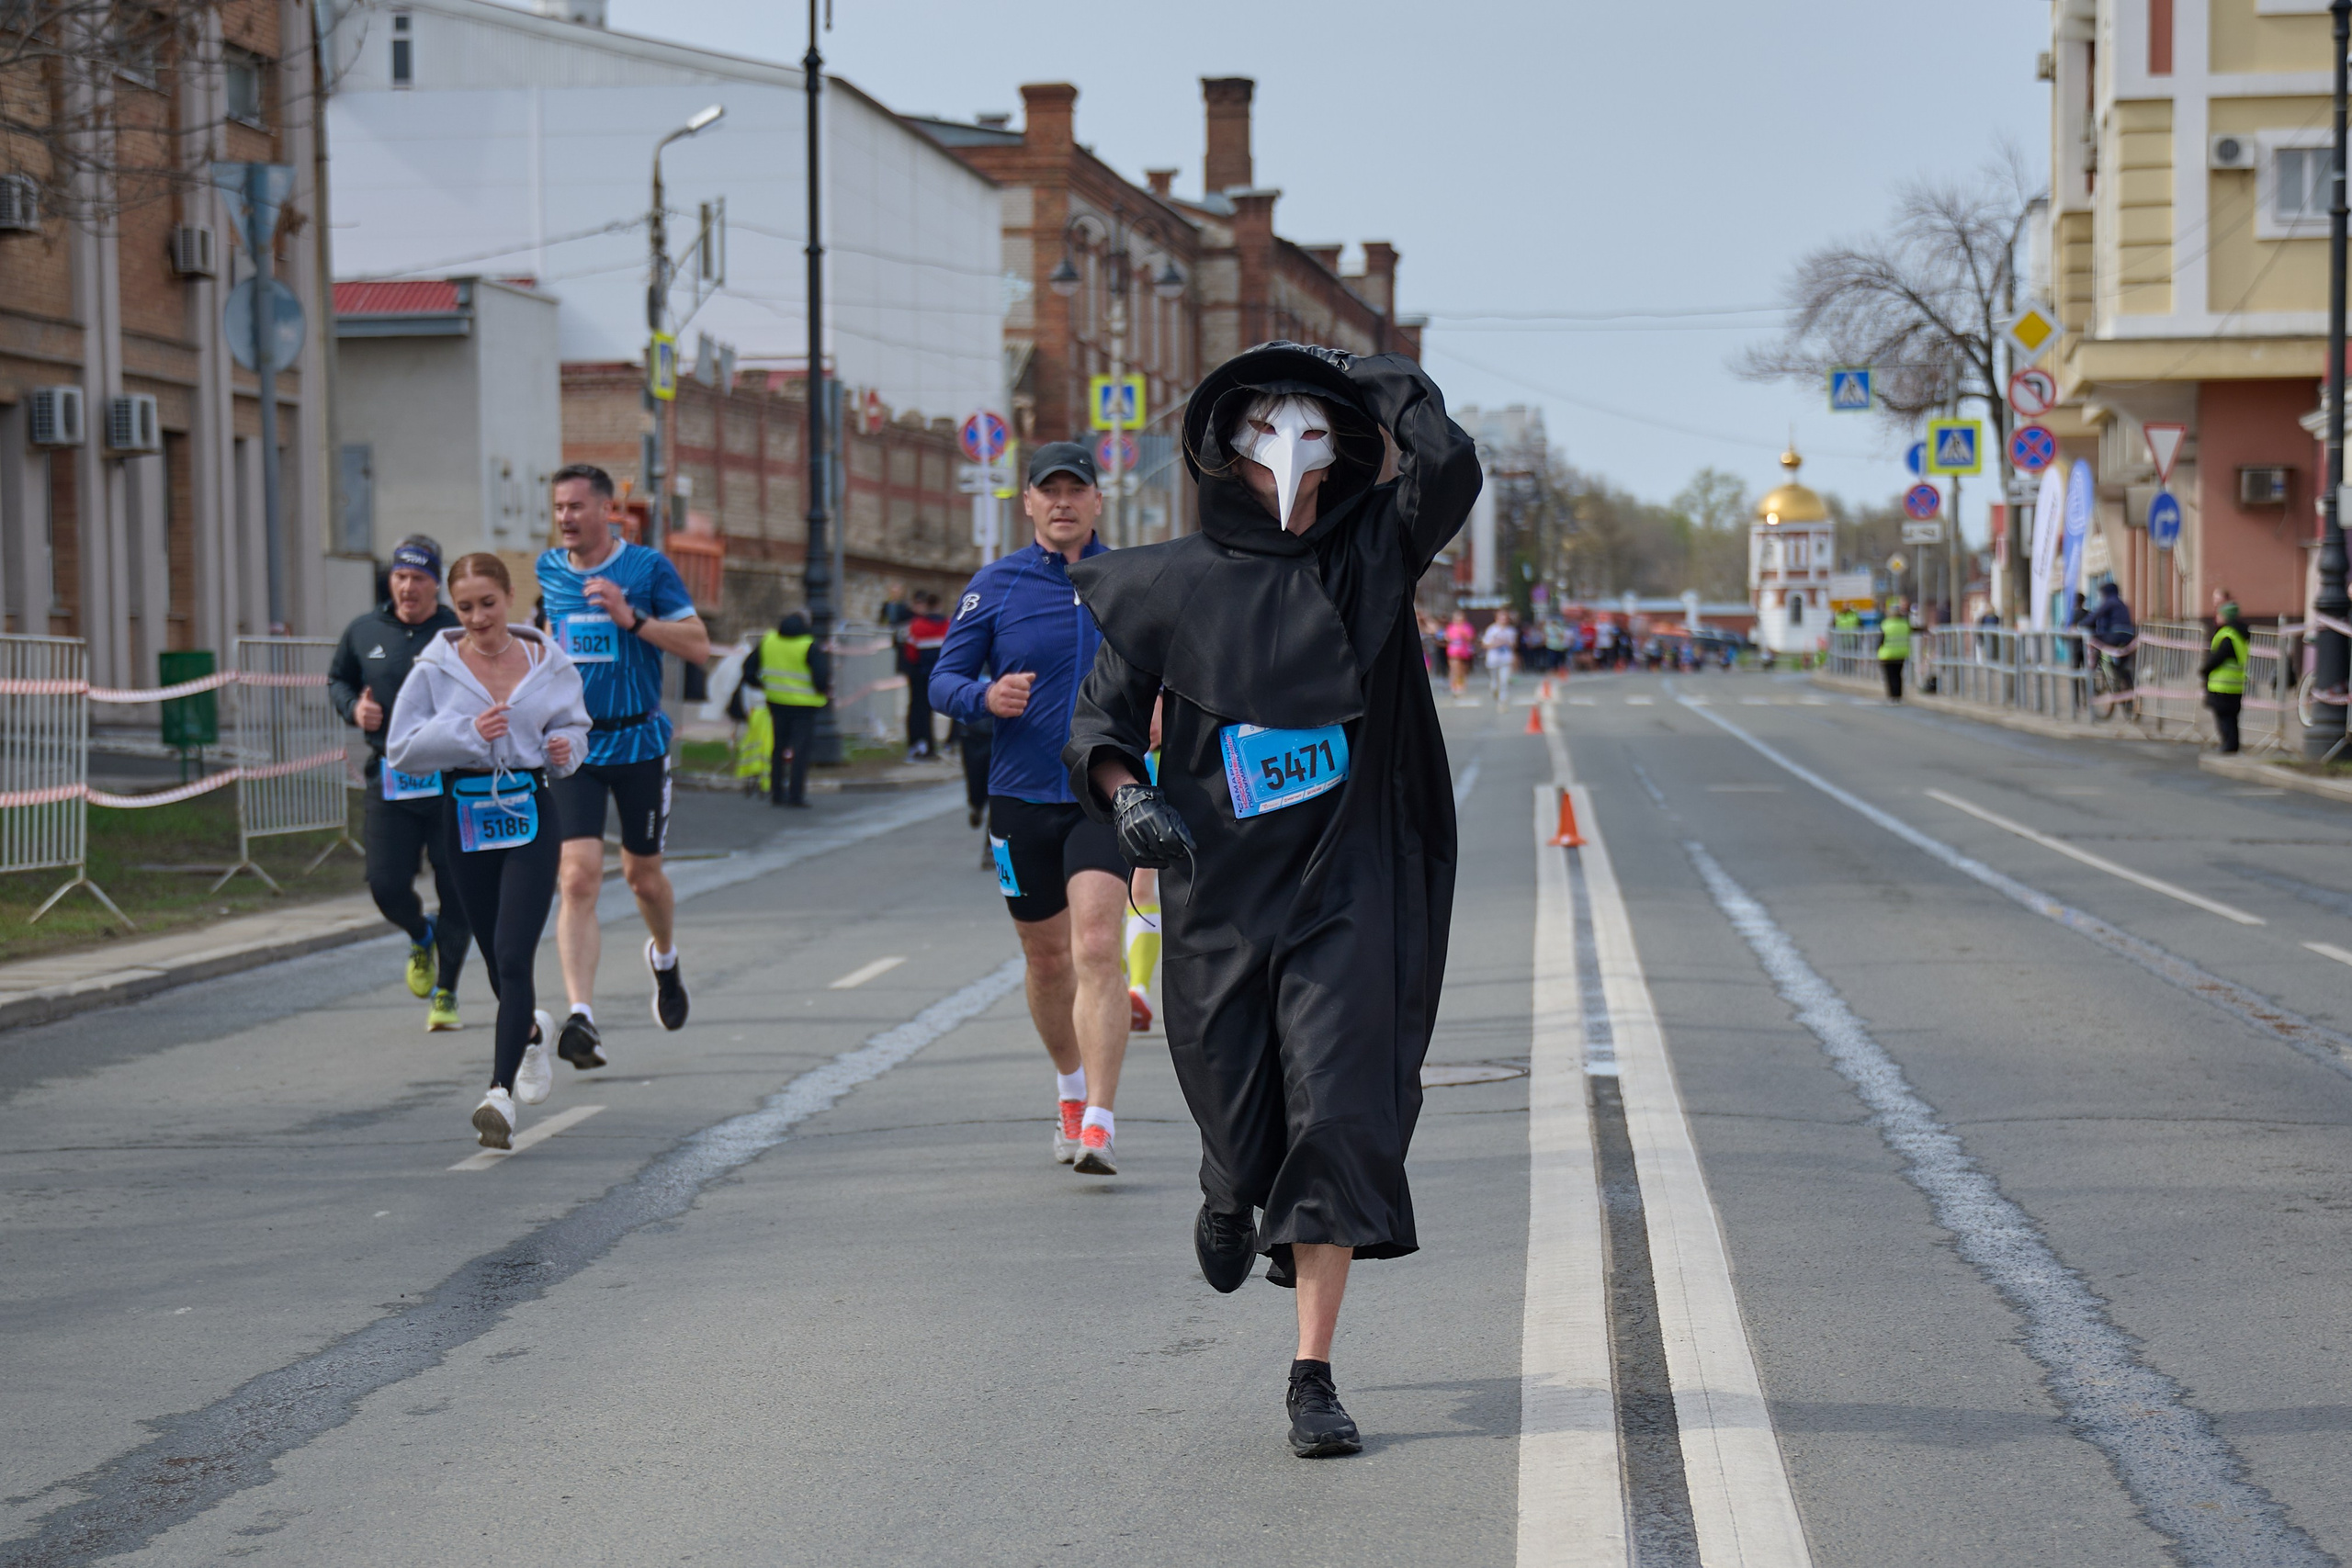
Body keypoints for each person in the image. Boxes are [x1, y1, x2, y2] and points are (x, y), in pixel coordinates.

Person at [1063, 340, 1480, 1460]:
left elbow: (1448, 467)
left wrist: (1365, 372)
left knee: (1340, 1115)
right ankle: (1225, 1180)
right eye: (1267, 433)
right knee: (1244, 1121)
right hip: (1220, 897)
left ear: (1343, 452)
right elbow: (1101, 725)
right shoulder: (1166, 585)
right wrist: (1129, 798)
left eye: (1315, 434)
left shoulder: (1372, 559)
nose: (1290, 457)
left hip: (1349, 884)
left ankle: (1312, 1375)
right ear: (1226, 455)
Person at [931, 441, 1133, 1177]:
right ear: (1027, 503)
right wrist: (982, 697)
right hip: (1020, 797)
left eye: (1076, 489)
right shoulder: (998, 586)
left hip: (1103, 792)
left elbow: (1177, 667)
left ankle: (1103, 1122)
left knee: (1096, 945)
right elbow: (943, 678)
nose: (1062, 502)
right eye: (1048, 491)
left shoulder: (1127, 580)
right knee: (1047, 962)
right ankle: (1071, 1092)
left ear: (1097, 502)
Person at [387, 553, 591, 1148]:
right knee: (491, 953)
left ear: (508, 597)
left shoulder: (547, 661)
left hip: (529, 813)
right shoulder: (436, 668)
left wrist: (565, 748)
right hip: (466, 815)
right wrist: (466, 734)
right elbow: (401, 748)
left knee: (510, 954)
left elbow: (577, 726)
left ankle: (497, 1093)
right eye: (466, 607)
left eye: (488, 603)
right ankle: (531, 1034)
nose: (478, 618)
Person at [537, 464, 713, 1068]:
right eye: (558, 506)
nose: (565, 517)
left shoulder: (647, 569)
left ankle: (664, 957)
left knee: (642, 877)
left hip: (638, 740)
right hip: (575, 746)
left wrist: (631, 618)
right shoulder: (548, 570)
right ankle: (582, 1016)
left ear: (607, 511)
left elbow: (698, 643)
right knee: (578, 874)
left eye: (576, 506)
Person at [328, 535, 471, 1031]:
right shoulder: (364, 629)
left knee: (459, 892)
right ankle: (419, 933)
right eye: (401, 576)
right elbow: (338, 680)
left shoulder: (456, 631)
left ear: (436, 584)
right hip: (390, 779)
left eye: (419, 578)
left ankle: (447, 993)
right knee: (386, 885)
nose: (408, 587)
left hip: (452, 784)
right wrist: (354, 709)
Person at [743, 608, 829, 807]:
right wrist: (823, 691)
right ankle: (795, 795)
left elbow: (748, 669)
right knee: (800, 750)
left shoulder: (769, 641)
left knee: (778, 747)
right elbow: (821, 676)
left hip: (776, 702)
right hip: (804, 706)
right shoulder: (809, 646)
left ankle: (777, 793)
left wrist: (762, 684)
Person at [902, 592, 952, 760]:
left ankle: (921, 745)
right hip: (944, 674)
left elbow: (911, 653)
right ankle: (951, 742)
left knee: (919, 710)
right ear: (939, 606)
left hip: (921, 674)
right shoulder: (948, 625)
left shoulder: (917, 625)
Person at [2202, 599, 2250, 754]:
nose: (2217, 617)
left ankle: (2228, 745)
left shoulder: (2227, 634)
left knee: (2224, 717)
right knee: (2232, 717)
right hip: (2236, 683)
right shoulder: (2241, 633)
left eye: (2219, 614)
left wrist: (2205, 669)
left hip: (2222, 684)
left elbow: (2219, 657)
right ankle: (2233, 744)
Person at [2086, 581, 2136, 693]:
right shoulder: (2122, 604)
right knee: (2122, 663)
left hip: (2115, 635)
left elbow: (2095, 616)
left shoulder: (2109, 602)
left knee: (2094, 640)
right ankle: (2126, 682)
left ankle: (2096, 662)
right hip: (2129, 636)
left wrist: (2081, 624)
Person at [1878, 599, 1913, 702]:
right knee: (1898, 675)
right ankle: (1899, 695)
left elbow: (1881, 639)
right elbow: (1913, 630)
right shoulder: (1905, 624)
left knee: (1890, 676)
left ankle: (1892, 696)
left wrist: (1877, 648)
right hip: (1901, 653)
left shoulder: (1886, 624)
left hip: (1887, 654)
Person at [1481, 608, 1517, 704]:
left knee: (1504, 681)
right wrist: (1496, 644)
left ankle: (1503, 700)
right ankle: (1494, 689)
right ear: (1497, 619)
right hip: (1493, 658)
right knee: (1494, 680)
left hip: (1506, 658)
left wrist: (1507, 643)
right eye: (1501, 618)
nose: (1504, 620)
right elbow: (1484, 644)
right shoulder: (1492, 630)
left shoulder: (1511, 631)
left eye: (1505, 618)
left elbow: (1514, 645)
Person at [1443, 610, 1474, 696]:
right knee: (1454, 668)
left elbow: (1470, 638)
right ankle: (1454, 686)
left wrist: (1463, 635)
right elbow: (1447, 637)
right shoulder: (1451, 627)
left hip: (1464, 652)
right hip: (1453, 652)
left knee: (1463, 670)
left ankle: (1461, 685)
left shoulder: (1467, 627)